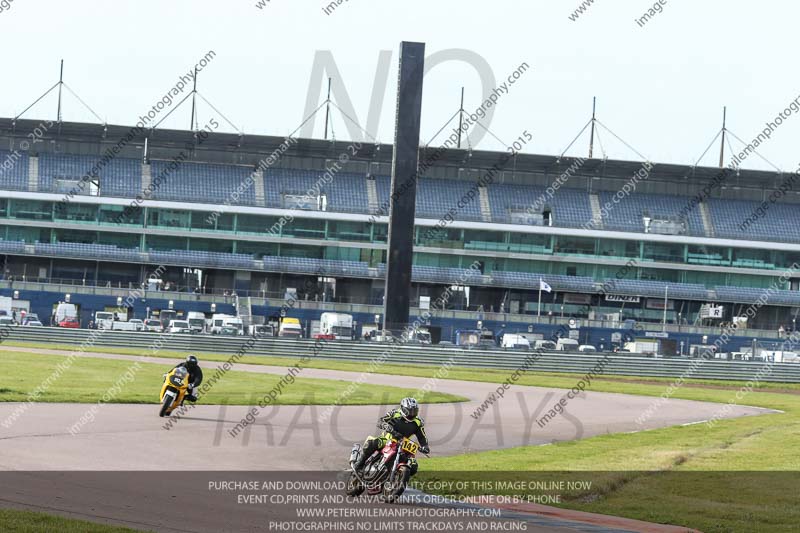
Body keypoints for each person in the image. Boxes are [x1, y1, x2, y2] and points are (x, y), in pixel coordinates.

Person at [353, 397, 430, 477]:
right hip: (387, 439)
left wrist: (425, 446)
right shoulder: (395, 413)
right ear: (403, 409)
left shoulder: (418, 422)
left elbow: (422, 436)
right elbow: (380, 421)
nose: (412, 414)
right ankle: (359, 466)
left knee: (413, 466)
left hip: (403, 444)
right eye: (410, 411)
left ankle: (397, 478)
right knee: (371, 443)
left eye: (414, 411)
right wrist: (389, 428)